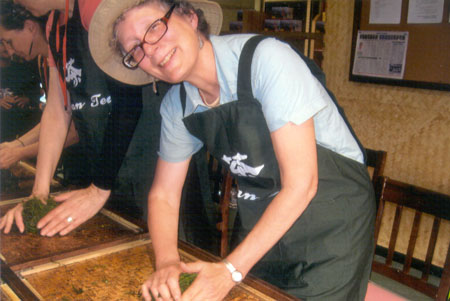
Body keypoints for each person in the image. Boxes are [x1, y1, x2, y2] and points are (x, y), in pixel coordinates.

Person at [89, 0, 376, 300]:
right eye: (135, 48)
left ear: (189, 16)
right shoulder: (178, 105)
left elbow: (302, 184)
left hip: (331, 222)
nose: (150, 49)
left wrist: (230, 270)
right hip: (263, 221)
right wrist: (167, 263)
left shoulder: (266, 60)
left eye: (154, 27)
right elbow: (163, 195)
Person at [0, 0, 170, 235]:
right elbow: (57, 108)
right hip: (107, 165)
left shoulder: (94, 7)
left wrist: (99, 189)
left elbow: (129, 100)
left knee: (170, 238)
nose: (18, 3)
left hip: (150, 154)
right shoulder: (54, 25)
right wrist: (39, 193)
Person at [0, 3, 79, 170]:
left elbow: (75, 129)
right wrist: (17, 144)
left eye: (9, 42)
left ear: (30, 27)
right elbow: (55, 117)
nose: (10, 52)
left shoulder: (70, 51)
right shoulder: (42, 62)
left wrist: (20, 151)